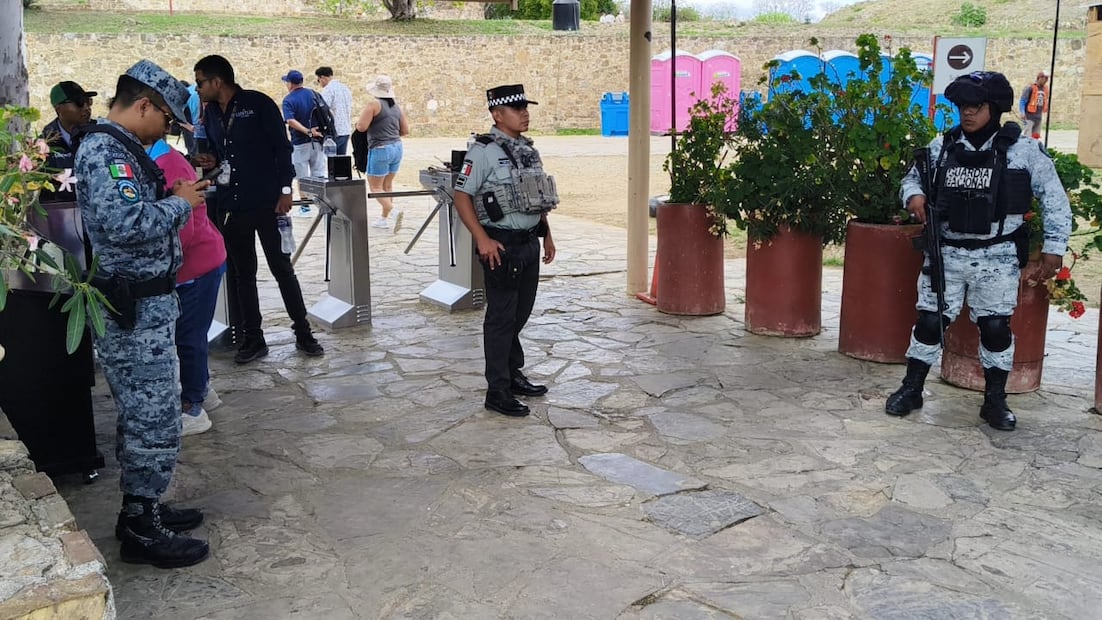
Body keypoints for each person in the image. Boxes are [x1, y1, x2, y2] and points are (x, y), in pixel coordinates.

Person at [75, 59, 210, 567]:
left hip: (147, 305)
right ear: (144, 106)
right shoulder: (106, 151)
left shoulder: (117, 148)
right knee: (152, 417)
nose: (169, 131)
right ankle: (140, 528)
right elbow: (126, 222)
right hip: (134, 313)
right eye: (167, 121)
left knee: (145, 414)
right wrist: (180, 202)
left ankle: (144, 506)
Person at [886, 71, 1071, 432]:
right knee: (929, 322)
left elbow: (1055, 200)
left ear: (996, 107)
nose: (967, 113)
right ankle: (912, 388)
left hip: (997, 253)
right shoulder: (943, 147)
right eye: (961, 107)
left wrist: (1053, 248)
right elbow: (912, 178)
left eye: (976, 106)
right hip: (948, 251)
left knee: (996, 327)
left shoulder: (1023, 151)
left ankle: (995, 401)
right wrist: (915, 197)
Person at [193, 54, 324, 363]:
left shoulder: (258, 103)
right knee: (243, 274)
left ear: (216, 81)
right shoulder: (210, 114)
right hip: (232, 205)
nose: (197, 88)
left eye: (200, 82)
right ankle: (254, 338)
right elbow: (215, 150)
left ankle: (303, 332)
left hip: (268, 203)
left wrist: (284, 191)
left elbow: (283, 149)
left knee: (282, 269)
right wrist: (209, 159)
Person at [453, 84, 558, 417]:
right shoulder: (483, 152)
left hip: (528, 241)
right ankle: (497, 390)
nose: (525, 113)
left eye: (526, 108)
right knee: (501, 318)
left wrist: (547, 233)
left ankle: (513, 374)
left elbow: (536, 195)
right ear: (497, 115)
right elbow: (461, 196)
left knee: (520, 313)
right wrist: (482, 239)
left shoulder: (528, 150)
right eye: (517, 109)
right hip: (500, 243)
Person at [148, 137, 226, 436]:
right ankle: (203, 390)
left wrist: (163, 269)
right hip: (191, 264)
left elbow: (186, 225)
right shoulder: (156, 159)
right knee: (190, 334)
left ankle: (192, 407)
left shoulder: (168, 163)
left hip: (196, 264)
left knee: (188, 337)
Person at [354, 75, 409, 231]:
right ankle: (384, 219)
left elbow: (361, 127)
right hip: (397, 147)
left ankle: (393, 212)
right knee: (388, 185)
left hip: (380, 149)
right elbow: (405, 130)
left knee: (376, 188)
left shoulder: (373, 105)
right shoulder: (397, 107)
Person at [40, 81, 97, 201]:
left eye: (88, 102)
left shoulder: (99, 136)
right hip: (60, 216)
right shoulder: (44, 145)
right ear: (59, 108)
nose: (86, 108)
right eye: (79, 103)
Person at [281, 69, 327, 182]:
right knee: (318, 176)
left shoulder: (289, 100)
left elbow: (290, 120)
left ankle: (304, 198)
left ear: (290, 83)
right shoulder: (314, 94)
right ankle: (317, 199)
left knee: (302, 179)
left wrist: (308, 131)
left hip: (300, 142)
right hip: (318, 140)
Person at [315, 66, 354, 156]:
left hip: (334, 131)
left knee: (330, 162)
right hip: (346, 129)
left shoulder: (328, 90)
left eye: (318, 80)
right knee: (341, 161)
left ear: (322, 78)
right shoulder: (345, 88)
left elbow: (323, 109)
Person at [1019, 71, 1049, 138]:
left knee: (1035, 137)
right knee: (1027, 137)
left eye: (1047, 78)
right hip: (1029, 117)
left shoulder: (1045, 89)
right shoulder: (1030, 88)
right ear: (1039, 78)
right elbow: (1023, 100)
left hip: (1038, 117)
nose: (1046, 80)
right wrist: (1022, 112)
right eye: (1045, 78)